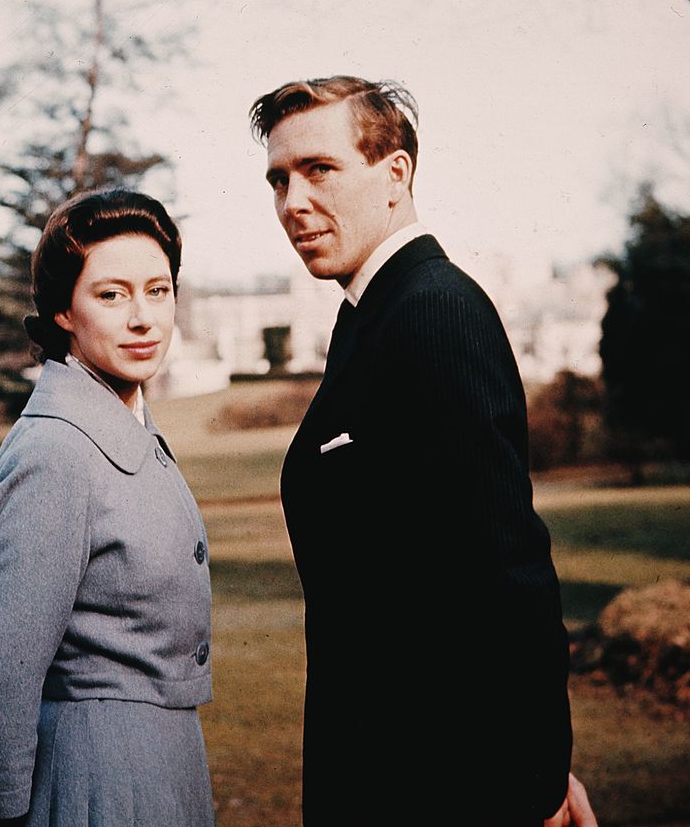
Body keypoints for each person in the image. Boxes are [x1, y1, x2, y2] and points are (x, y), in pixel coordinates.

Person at [248, 76, 597, 827]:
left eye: (319, 169)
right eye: (278, 178)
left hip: (442, 781)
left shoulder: (434, 312)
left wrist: (534, 783)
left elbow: (509, 571)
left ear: (395, 174)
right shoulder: (370, 317)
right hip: (385, 767)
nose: (292, 202)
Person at [0, 189, 214, 827]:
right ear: (63, 311)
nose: (144, 318)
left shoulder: (126, 424)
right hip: (95, 783)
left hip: (161, 771)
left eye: (158, 290)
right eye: (112, 294)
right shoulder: (56, 451)